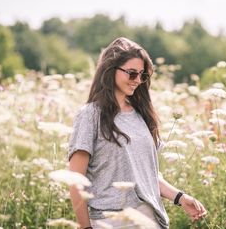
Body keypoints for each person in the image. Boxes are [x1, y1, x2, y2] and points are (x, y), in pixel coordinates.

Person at [68, 37, 207, 229]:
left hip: (150, 221)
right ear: (110, 70)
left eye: (143, 75)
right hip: (110, 222)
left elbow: (146, 174)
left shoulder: (142, 115)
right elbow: (75, 181)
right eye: (132, 74)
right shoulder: (90, 115)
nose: (138, 81)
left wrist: (180, 197)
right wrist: (85, 227)